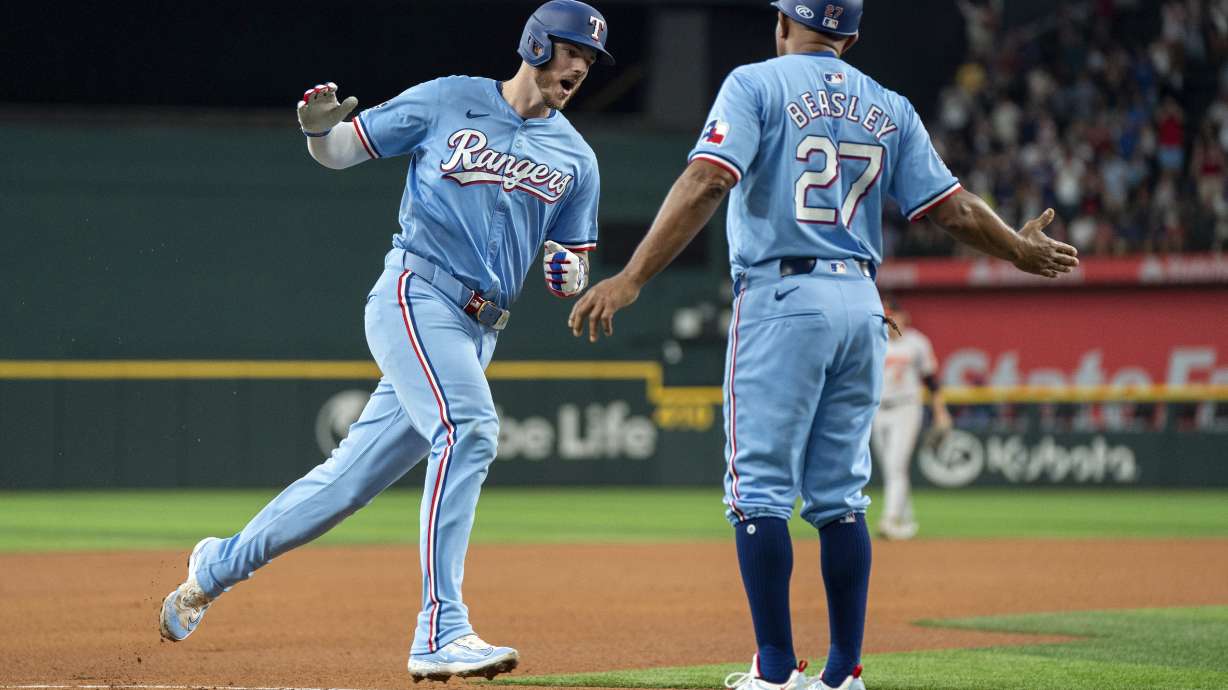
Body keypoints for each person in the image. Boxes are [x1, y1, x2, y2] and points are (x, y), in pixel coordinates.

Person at [567, 1, 1077, 689]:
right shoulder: (889, 104)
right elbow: (950, 207)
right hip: (862, 301)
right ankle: (844, 674)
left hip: (783, 295)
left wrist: (631, 277)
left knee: (760, 495)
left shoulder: (755, 83)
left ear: (782, 24)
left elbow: (708, 178)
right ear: (851, 36)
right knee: (840, 498)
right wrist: (1015, 247)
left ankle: (775, 671)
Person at [157, 1, 613, 682]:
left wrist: (570, 272)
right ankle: (440, 630)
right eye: (571, 50)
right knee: (471, 429)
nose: (578, 66)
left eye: (589, 59)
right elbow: (342, 150)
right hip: (416, 294)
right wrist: (317, 133)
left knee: (344, 484)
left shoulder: (576, 156)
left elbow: (571, 263)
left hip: (480, 329)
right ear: (537, 43)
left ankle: (213, 569)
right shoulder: (449, 99)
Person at [871, 295, 952, 541]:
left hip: (906, 408)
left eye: (892, 314)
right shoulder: (875, 341)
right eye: (885, 316)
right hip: (877, 409)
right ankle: (905, 520)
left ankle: (890, 519)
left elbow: (931, 381)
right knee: (889, 468)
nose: (889, 319)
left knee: (896, 465)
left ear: (903, 317)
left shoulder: (916, 343)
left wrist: (940, 412)